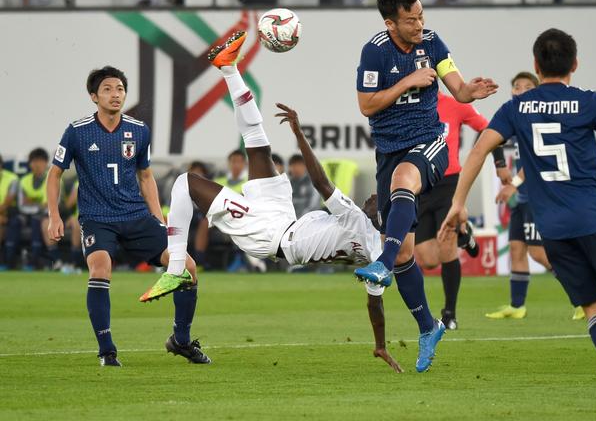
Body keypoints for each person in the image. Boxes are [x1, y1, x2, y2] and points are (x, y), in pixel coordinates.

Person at [141, 31, 403, 372]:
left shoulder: (357, 219)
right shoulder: (376, 255)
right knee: (257, 141)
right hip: (283, 217)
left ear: (378, 215)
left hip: (268, 234)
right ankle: (227, 67)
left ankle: (176, 269)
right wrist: (380, 346)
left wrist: (299, 134)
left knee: (184, 183)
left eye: (375, 200)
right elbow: (375, 305)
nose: (371, 196)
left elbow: (322, 182)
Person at [439, 28, 596, 412]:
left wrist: (458, 202)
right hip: (594, 217)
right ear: (575, 64)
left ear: (536, 66)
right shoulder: (589, 102)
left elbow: (480, 150)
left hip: (552, 228)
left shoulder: (516, 108)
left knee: (595, 309)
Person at [353, 0, 497, 372]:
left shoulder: (433, 43)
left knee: (404, 180)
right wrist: (406, 82)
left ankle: (380, 264)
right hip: (388, 151)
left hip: (430, 143)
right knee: (405, 254)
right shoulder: (375, 52)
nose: (419, 25)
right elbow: (367, 105)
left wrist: (471, 91)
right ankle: (428, 326)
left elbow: (458, 87)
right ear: (390, 22)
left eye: (421, 16)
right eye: (411, 20)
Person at [46, 65, 209, 367]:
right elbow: (54, 175)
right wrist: (54, 216)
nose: (115, 94)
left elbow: (146, 177)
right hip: (97, 218)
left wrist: (160, 219)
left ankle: (182, 340)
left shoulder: (139, 130)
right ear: (94, 96)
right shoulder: (77, 131)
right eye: (107, 89)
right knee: (100, 269)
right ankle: (107, 351)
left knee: (187, 266)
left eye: (120, 89)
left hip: (135, 216)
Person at [487, 71, 584, 321]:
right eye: (516, 86)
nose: (520, 90)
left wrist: (513, 184)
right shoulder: (515, 117)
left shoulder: (540, 119)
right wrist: (500, 164)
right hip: (522, 196)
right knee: (517, 249)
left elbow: (537, 162)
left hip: (537, 194)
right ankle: (517, 306)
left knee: (539, 253)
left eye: (527, 87)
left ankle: (584, 298)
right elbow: (491, 138)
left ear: (537, 91)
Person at [414, 92, 510, 330]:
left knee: (446, 249)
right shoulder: (408, 106)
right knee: (426, 260)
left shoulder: (455, 104)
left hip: (449, 185)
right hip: (421, 187)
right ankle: (464, 236)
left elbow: (489, 129)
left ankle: (449, 314)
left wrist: (499, 164)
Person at [18, 147, 53, 270]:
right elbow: (22, 205)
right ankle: (11, 260)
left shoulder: (53, 178)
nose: (37, 165)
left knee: (38, 220)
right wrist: (39, 206)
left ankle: (39, 262)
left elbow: (49, 205)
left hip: (49, 216)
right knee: (16, 221)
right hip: (26, 216)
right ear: (29, 163)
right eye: (34, 161)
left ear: (46, 163)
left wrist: (32, 201)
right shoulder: (24, 181)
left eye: (40, 161)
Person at [0, 154, 20, 271]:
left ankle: (9, 262)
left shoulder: (12, 179)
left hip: (11, 213)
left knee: (13, 223)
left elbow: (8, 201)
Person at [288, 153, 321, 218]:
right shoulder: (288, 183)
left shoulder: (312, 182)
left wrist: (302, 218)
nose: (296, 168)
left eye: (299, 165)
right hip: (291, 221)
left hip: (310, 219)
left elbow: (313, 204)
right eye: (293, 165)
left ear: (305, 166)